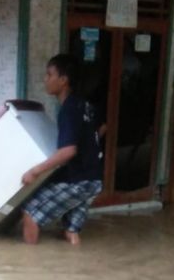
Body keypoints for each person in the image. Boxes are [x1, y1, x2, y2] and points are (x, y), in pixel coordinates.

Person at [21, 54, 104, 245]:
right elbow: (99, 130)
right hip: (94, 178)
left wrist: (34, 171)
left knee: (30, 214)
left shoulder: (69, 109)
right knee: (70, 231)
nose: (45, 79)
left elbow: (68, 151)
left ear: (63, 80)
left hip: (79, 180)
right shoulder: (83, 104)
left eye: (49, 75)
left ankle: (27, 270)